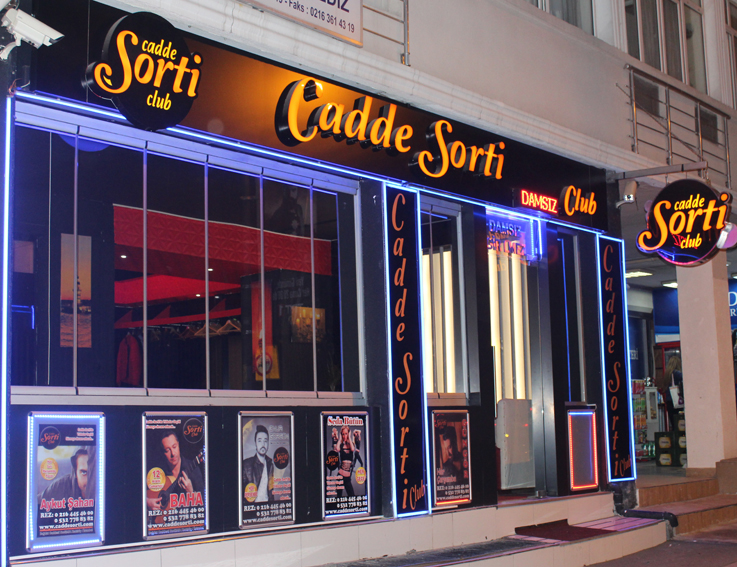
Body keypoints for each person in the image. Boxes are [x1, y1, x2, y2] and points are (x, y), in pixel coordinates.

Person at [146, 430, 204, 511]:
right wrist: (147, 502)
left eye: (174, 447)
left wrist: (191, 492)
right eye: (167, 450)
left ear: (178, 445)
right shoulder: (158, 471)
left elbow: (204, 505)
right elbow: (138, 492)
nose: (173, 453)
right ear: (163, 453)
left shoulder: (193, 469)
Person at [242, 425, 274, 503]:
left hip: (267, 507)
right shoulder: (246, 464)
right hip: (253, 507)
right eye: (259, 441)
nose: (263, 444)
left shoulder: (270, 464)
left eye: (265, 441)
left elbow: (271, 491)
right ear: (255, 443)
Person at [335, 425, 363, 497]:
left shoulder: (351, 444)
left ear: (348, 433)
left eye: (346, 434)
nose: (344, 436)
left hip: (347, 477)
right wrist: (340, 438)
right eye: (343, 434)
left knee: (352, 496)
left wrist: (349, 437)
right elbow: (337, 449)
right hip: (340, 476)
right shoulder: (341, 445)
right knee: (338, 497)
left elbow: (353, 449)